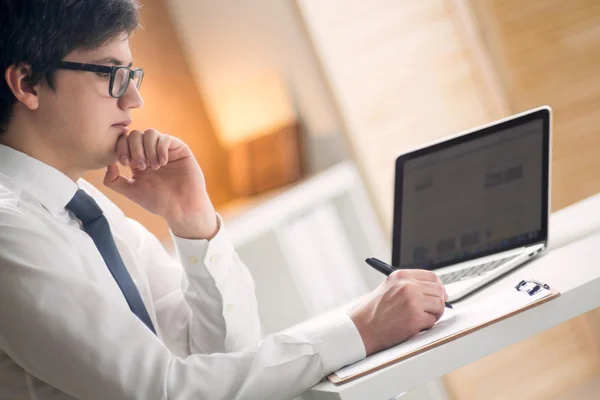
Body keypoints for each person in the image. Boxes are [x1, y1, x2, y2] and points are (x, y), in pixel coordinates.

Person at [0, 1, 448, 399]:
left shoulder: (88, 208)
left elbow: (223, 354)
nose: (134, 99)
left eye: (132, 75)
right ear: (29, 84)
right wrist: (361, 330)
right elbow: (162, 389)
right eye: (113, 75)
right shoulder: (10, 234)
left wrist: (192, 222)